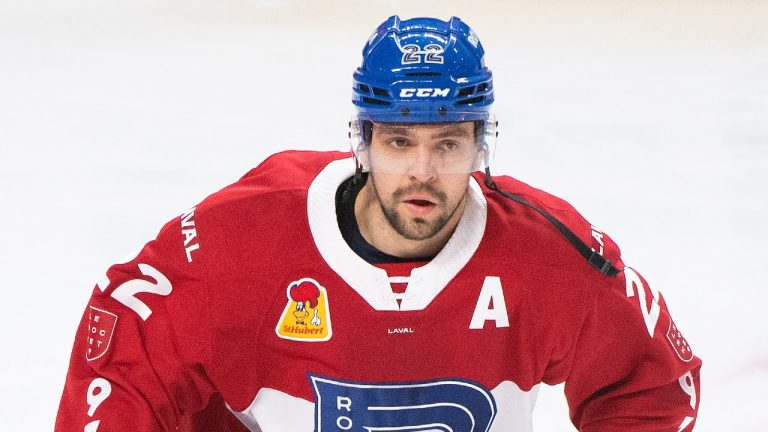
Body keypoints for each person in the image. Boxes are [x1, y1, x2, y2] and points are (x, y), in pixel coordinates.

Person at [56, 15, 701, 432]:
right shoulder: (240, 241)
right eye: (399, 142)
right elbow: (122, 363)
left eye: (448, 143)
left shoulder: (547, 254)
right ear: (362, 141)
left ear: (482, 144)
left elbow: (650, 389)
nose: (422, 172)